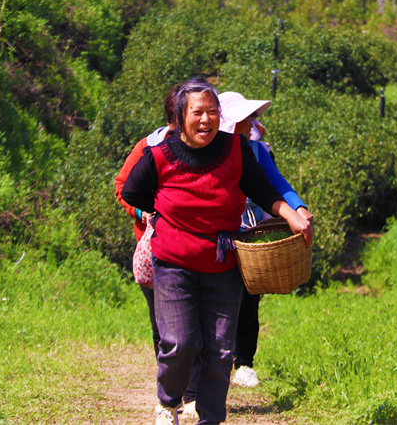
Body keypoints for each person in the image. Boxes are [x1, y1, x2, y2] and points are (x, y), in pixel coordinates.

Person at [122, 77, 313, 425]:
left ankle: (210, 418)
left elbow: (261, 186)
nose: (206, 119)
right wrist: (165, 212)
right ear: (180, 117)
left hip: (223, 262)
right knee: (179, 342)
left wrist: (291, 214)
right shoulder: (159, 154)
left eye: (213, 111)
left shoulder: (237, 150)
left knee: (221, 350)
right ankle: (168, 403)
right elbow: (131, 192)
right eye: (198, 112)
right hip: (174, 263)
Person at [113, 86, 202, 419]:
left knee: (195, 325)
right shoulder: (148, 147)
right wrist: (143, 212)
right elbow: (123, 187)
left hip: (198, 249)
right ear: (175, 116)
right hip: (156, 251)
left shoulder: (209, 147)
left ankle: (192, 395)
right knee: (165, 327)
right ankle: (173, 394)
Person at [217, 91, 313, 388]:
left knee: (249, 297)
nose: (252, 123)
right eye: (246, 118)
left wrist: (299, 209)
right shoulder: (210, 152)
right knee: (216, 299)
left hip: (249, 232)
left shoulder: (256, 151)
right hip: (217, 235)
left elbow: (276, 182)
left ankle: (244, 363)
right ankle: (211, 363)